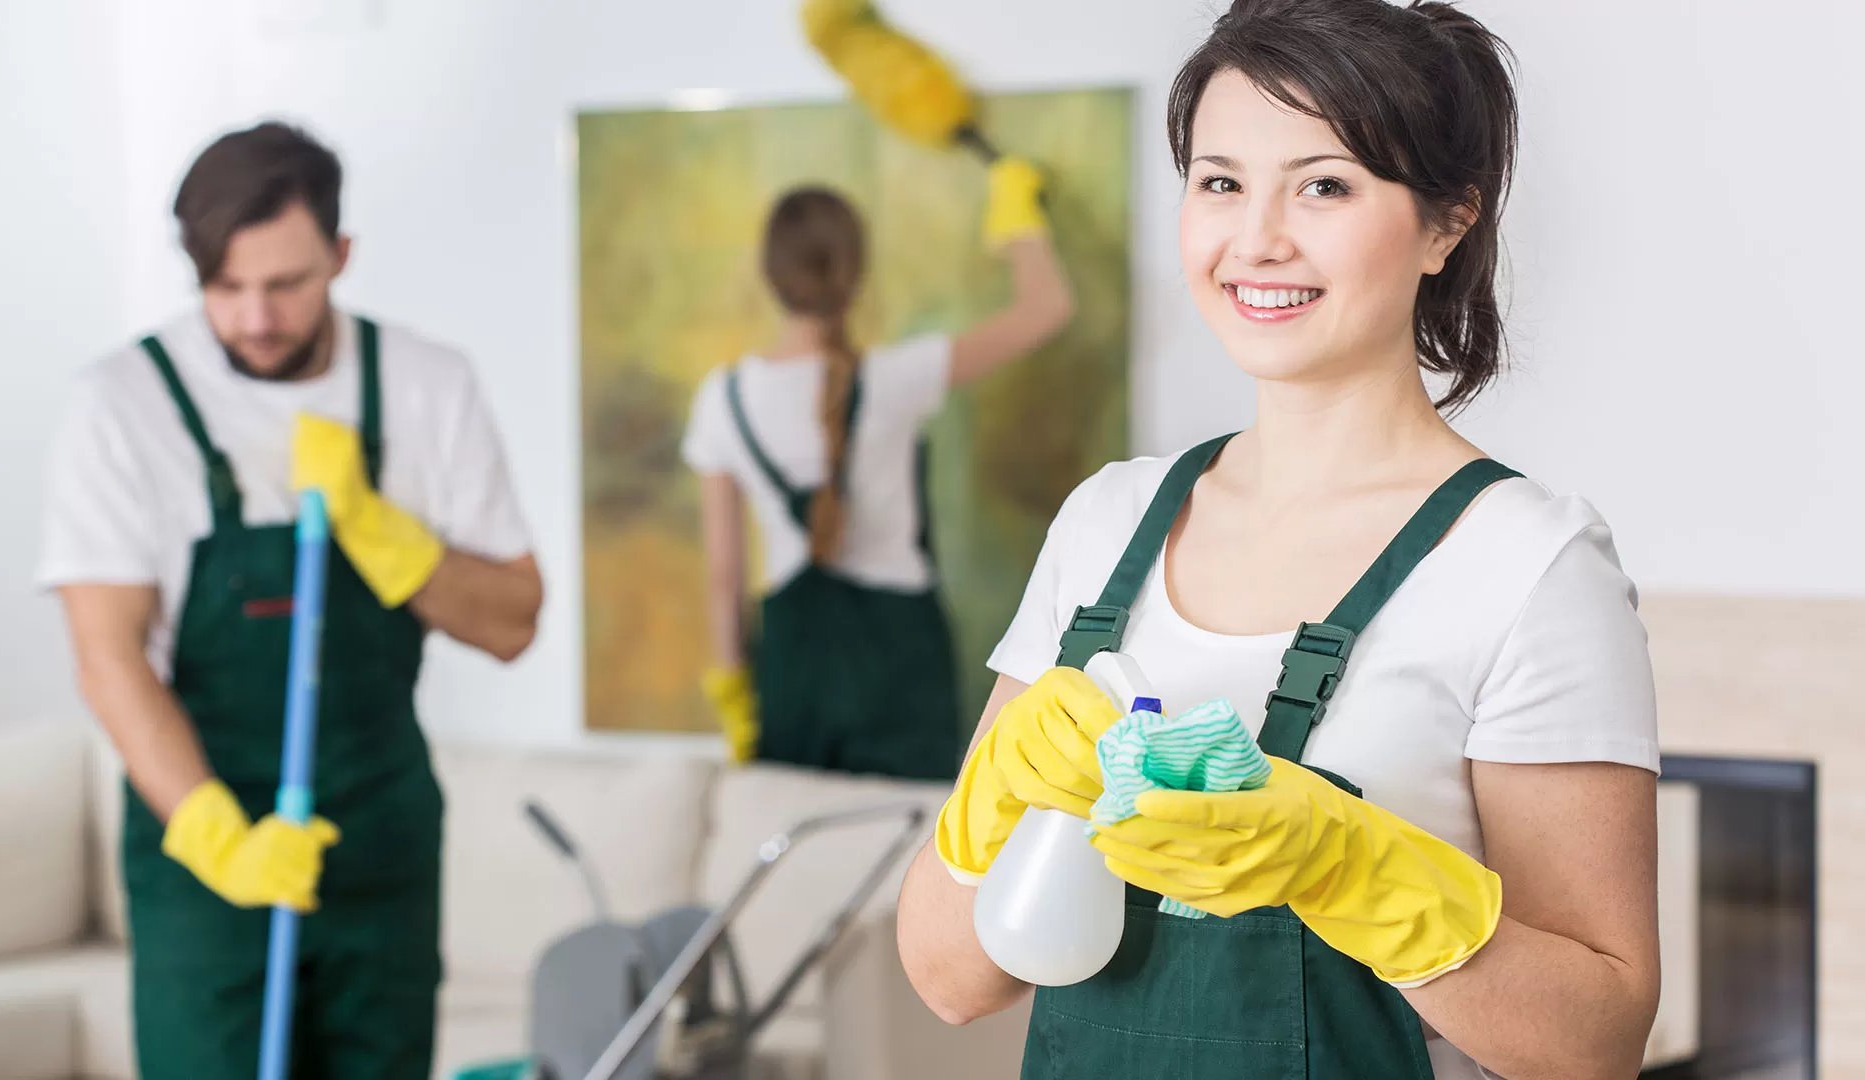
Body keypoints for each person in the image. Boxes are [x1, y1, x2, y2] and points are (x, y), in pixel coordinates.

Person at [898, 2, 1662, 1076]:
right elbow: (949, 979)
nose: (1256, 239)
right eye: (1220, 182)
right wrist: (1001, 795)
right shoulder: (1107, 524)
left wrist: (1350, 866)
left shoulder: (1528, 564)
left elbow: (1598, 1044)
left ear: (1447, 224)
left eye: (1325, 186)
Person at [40, 122, 542, 1077]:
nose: (255, 318)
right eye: (225, 288)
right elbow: (107, 655)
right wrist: (218, 838)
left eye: (285, 285)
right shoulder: (123, 403)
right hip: (205, 843)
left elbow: (514, 623)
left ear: (340, 256)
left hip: (379, 836)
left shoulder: (427, 387)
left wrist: (377, 528)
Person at [683, 158, 1074, 779]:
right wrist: (1016, 216)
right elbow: (1045, 308)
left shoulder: (722, 399)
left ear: (770, 275)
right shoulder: (898, 378)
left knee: (797, 837)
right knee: (909, 835)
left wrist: (734, 695)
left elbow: (723, 577)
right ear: (854, 274)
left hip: (791, 668)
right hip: (902, 658)